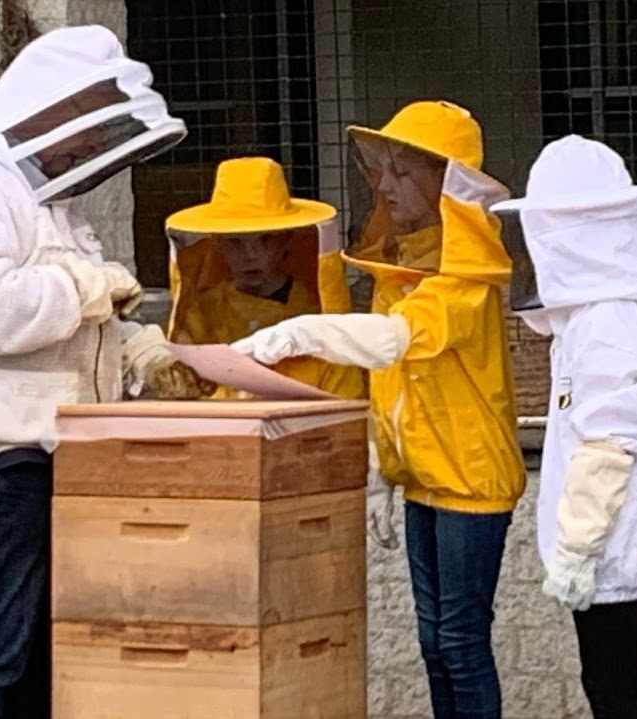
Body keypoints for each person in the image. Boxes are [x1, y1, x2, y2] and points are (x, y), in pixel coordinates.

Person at [0, 26, 209, 719]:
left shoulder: (40, 195)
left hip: (41, 446)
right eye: (91, 120)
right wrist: (79, 286)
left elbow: (77, 313)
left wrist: (134, 347)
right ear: (53, 103)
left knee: (35, 654)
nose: (92, 147)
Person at [232, 101, 525, 719]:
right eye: (382, 171)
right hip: (423, 479)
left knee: (462, 643)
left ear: (444, 184)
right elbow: (390, 386)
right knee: (433, 643)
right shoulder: (401, 268)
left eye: (402, 173)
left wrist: (301, 333)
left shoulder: (465, 278)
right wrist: (377, 471)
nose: (385, 185)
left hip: (471, 483)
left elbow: (395, 341)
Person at [491, 134, 637, 719]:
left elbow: (608, 445)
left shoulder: (610, 323)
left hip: (610, 547)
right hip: (611, 546)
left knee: (614, 687)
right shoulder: (601, 317)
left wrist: (576, 549)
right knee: (612, 682)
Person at [164, 156, 365, 399]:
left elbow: (345, 415)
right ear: (217, 244)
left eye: (266, 239)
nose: (251, 255)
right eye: (235, 242)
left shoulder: (317, 321)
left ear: (285, 239)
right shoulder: (199, 321)